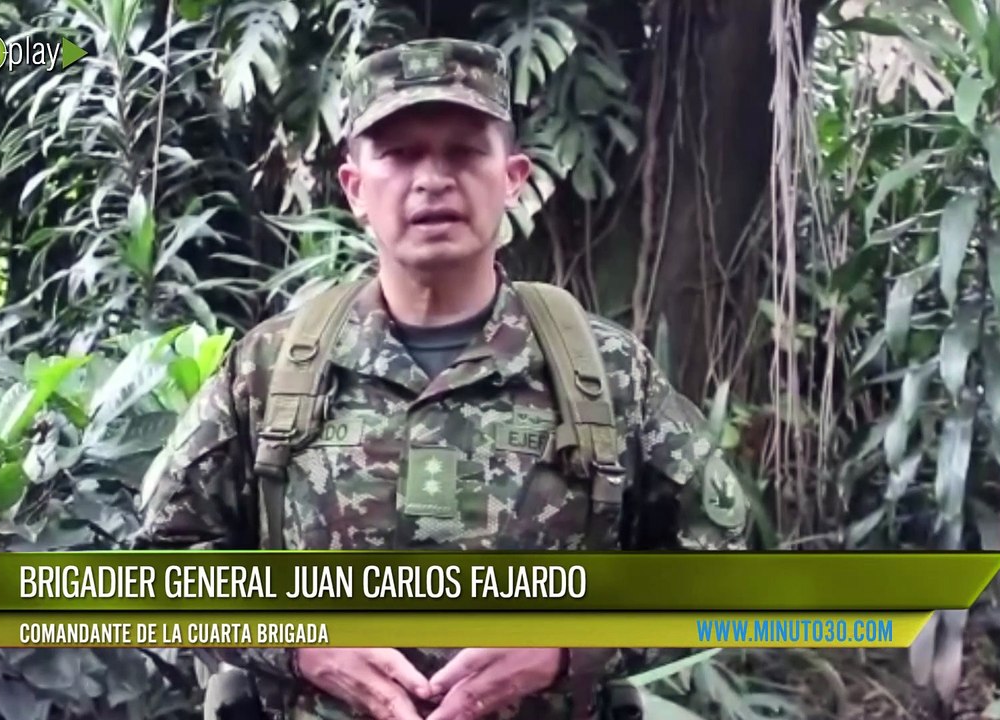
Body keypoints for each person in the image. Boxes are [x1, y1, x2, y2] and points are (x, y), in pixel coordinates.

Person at [133, 37, 748, 720]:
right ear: (355, 188)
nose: (432, 179)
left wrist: (571, 648)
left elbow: (720, 563)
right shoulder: (272, 368)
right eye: (400, 154)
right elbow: (162, 566)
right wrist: (296, 643)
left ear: (513, 177)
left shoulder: (605, 373)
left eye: (463, 152)